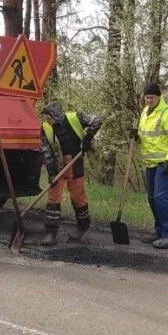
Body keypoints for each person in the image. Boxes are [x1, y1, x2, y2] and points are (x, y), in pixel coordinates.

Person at [39, 101, 102, 246]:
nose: (47, 120)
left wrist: (88, 138)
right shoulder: (45, 128)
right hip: (57, 165)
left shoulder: (75, 118)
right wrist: (51, 172)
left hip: (75, 162)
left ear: (57, 115)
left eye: (49, 117)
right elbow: (46, 151)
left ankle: (82, 226)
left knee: (78, 197)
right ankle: (50, 232)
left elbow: (97, 121)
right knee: (53, 198)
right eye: (46, 118)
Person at [135, 82, 168, 249]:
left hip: (164, 163)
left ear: (158, 96)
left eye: (151, 97)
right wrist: (136, 137)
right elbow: (145, 136)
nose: (148, 100)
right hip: (150, 163)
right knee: (151, 198)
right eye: (146, 97)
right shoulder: (144, 113)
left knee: (160, 197)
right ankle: (159, 230)